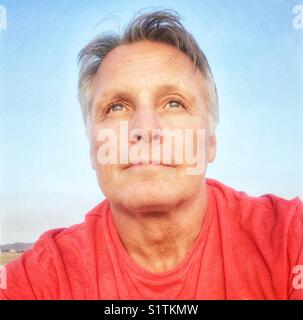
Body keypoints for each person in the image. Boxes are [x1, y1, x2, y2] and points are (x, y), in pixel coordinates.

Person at [1, 10, 302, 300]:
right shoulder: (42, 277)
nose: (145, 128)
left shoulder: (288, 240)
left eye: (174, 103)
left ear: (210, 142)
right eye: (116, 106)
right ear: (93, 148)